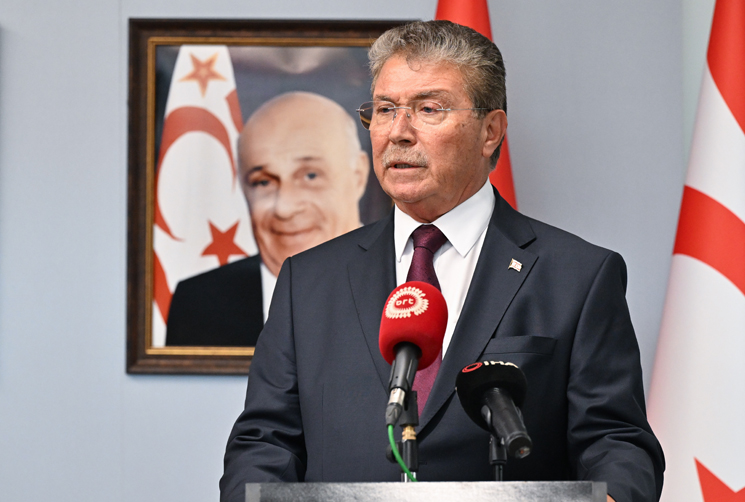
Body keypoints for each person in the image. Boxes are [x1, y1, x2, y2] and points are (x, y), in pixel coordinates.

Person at [220, 21, 664, 502]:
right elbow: (263, 443)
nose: (398, 133)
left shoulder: (578, 277)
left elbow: (616, 442)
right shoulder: (308, 280)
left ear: (490, 131)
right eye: (385, 109)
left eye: (428, 109)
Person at [165, 92, 369, 346]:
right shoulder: (199, 305)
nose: (285, 207)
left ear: (358, 175)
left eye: (310, 176)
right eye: (263, 182)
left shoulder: (401, 286)